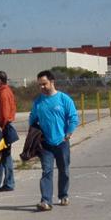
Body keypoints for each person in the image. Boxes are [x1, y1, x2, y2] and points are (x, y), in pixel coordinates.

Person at [28, 69, 78, 211]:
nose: (41, 87)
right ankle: (46, 200)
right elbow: (32, 120)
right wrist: (34, 135)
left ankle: (63, 195)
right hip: (45, 144)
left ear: (52, 82)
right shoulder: (38, 102)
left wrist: (69, 132)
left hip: (61, 142)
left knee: (64, 170)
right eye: (39, 85)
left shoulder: (64, 99)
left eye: (44, 84)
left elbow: (73, 117)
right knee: (47, 171)